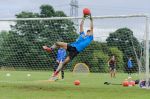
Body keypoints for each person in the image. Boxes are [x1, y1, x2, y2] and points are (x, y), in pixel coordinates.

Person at [43, 14, 93, 81]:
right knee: (58, 43)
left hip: (75, 51)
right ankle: (50, 49)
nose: (88, 33)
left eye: (90, 32)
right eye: (88, 32)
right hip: (72, 46)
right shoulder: (82, 35)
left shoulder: (90, 38)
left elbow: (92, 27)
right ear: (86, 32)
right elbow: (81, 25)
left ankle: (55, 74)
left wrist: (91, 19)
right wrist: (84, 18)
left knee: (63, 63)